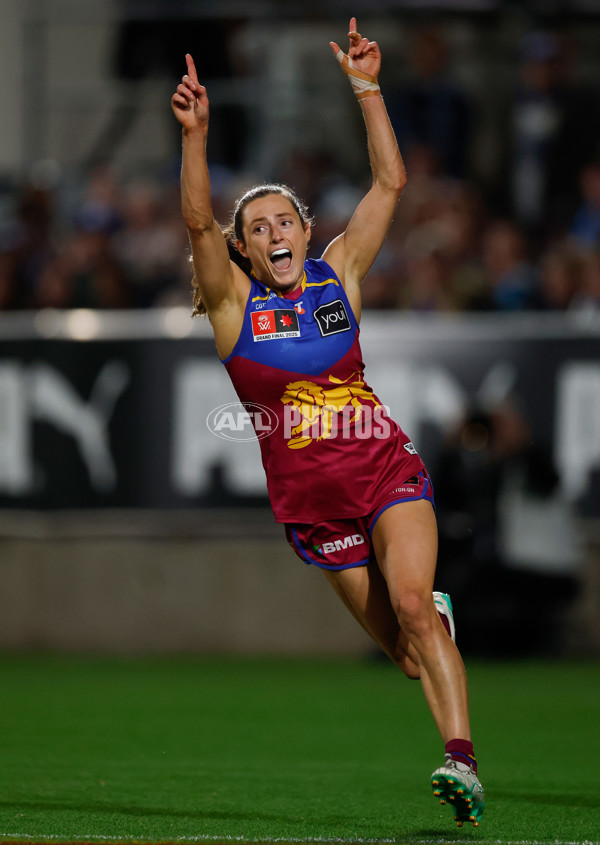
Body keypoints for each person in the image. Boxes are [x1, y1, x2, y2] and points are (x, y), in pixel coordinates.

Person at [171, 18, 484, 827]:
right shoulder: (234, 310)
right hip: (314, 506)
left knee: (414, 605)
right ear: (243, 252)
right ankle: (431, 630)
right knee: (411, 655)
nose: (275, 232)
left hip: (385, 470)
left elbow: (390, 186)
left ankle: (463, 763)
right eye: (260, 228)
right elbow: (199, 222)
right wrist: (196, 135)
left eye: (286, 221)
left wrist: (367, 87)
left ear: (308, 233)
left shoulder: (337, 274)